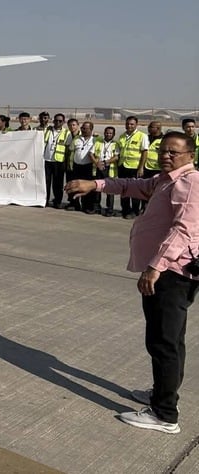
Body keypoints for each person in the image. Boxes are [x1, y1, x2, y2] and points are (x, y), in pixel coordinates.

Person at [66, 131, 198, 434]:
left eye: (174, 152)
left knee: (163, 342)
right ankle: (163, 395)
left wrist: (154, 268)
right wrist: (95, 184)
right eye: (163, 151)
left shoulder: (189, 182)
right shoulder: (164, 180)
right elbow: (130, 184)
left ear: (190, 155)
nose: (166, 156)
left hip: (171, 274)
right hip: (167, 272)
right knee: (170, 340)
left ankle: (164, 415)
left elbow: (183, 230)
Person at [117, 116, 149, 219]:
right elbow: (118, 152)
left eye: (131, 124)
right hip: (123, 166)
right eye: (127, 124)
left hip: (134, 167)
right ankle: (125, 209)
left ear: (136, 125)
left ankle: (135, 211)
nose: (129, 126)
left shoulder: (142, 136)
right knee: (124, 189)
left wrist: (141, 168)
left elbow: (145, 152)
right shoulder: (122, 136)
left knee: (135, 190)